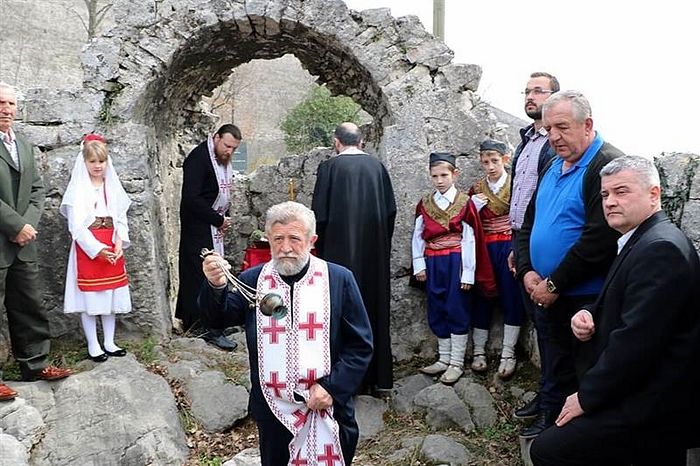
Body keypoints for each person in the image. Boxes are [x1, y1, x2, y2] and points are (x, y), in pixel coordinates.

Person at [531, 156, 700, 466]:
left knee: (547, 450)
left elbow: (637, 343)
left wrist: (586, 397)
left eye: (621, 191)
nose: (609, 202)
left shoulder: (660, 249)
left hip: (652, 403)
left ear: (654, 194)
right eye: (605, 194)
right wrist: (588, 313)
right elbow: (628, 304)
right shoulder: (641, 239)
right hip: (640, 388)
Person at [199, 201, 373, 466]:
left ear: (312, 241)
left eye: (295, 238)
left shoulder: (338, 279)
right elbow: (217, 319)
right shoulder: (253, 280)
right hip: (274, 410)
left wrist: (332, 388)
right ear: (268, 240)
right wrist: (215, 285)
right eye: (278, 239)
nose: (286, 248)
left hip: (328, 404)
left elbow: (360, 345)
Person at [515, 90, 622, 438]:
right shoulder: (552, 162)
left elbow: (598, 239)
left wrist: (555, 283)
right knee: (552, 356)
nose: (554, 136)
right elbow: (529, 221)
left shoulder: (605, 165)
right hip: (545, 286)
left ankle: (565, 431)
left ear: (587, 125)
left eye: (562, 127)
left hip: (583, 295)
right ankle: (549, 411)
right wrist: (528, 270)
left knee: (580, 366)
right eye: (549, 129)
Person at [311, 122, 396, 393]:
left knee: (341, 311)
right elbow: (390, 212)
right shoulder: (377, 168)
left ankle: (342, 379)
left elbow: (319, 216)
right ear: (361, 142)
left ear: (336, 142)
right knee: (372, 310)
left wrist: (322, 249)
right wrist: (379, 244)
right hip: (374, 257)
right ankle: (376, 378)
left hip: (337, 257)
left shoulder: (329, 168)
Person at [0, 82, 71, 401]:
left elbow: (37, 190)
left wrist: (26, 226)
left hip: (23, 242)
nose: (6, 109)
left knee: (29, 303)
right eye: (1, 103)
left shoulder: (25, 146)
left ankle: (35, 363)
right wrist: (15, 225)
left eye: (11, 104)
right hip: (3, 237)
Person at [412, 152, 495, 385]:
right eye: (435, 176)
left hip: (456, 260)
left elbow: (470, 238)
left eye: (444, 175)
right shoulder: (425, 203)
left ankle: (456, 362)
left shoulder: (465, 203)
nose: (439, 180)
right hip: (433, 261)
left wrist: (468, 272)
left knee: (456, 306)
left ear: (455, 174)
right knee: (436, 306)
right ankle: (444, 358)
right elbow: (418, 235)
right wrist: (419, 264)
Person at [510, 72, 558, 422]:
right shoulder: (526, 140)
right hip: (521, 238)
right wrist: (517, 246)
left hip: (542, 240)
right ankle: (547, 393)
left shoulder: (552, 144)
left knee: (549, 325)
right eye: (527, 91)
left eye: (538, 91)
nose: (530, 96)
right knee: (538, 322)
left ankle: (552, 401)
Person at [59, 134, 132, 362]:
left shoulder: (112, 186)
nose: (97, 166)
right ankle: (93, 343)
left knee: (110, 295)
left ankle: (109, 341)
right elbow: (76, 225)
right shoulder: (79, 190)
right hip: (88, 246)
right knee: (89, 297)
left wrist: (119, 241)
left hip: (111, 243)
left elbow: (120, 216)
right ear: (84, 162)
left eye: (101, 161)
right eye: (92, 161)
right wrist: (96, 248)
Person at [176, 124, 241, 351]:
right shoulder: (199, 158)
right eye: (227, 145)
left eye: (233, 148)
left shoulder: (221, 161)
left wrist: (224, 218)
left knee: (215, 275)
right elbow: (191, 198)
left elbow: (221, 194)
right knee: (200, 276)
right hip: (198, 228)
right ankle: (201, 326)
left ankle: (215, 320)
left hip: (212, 227)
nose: (229, 151)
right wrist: (217, 219)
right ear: (216, 138)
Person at [468, 140, 524, 379]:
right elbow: (467, 223)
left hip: (509, 245)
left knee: (512, 296)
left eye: (494, 161)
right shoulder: (476, 189)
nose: (490, 166)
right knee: (482, 295)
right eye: (485, 162)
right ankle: (479, 351)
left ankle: (508, 352)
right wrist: (472, 208)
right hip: (484, 247)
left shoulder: (516, 184)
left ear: (505, 159)